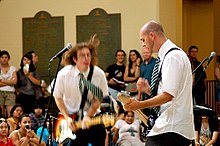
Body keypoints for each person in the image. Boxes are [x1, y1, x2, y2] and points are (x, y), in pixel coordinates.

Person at [124, 20, 195, 146]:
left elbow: (168, 95)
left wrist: (139, 105)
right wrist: (149, 90)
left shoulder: (173, 57)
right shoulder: (166, 56)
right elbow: (168, 90)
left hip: (172, 127)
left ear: (152, 36)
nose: (143, 45)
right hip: (168, 126)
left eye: (143, 40)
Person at [53, 35, 109, 146]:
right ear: (75, 59)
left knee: (100, 137)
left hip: (92, 118)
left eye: (88, 55)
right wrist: (67, 117)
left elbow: (98, 100)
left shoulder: (98, 74)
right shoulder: (64, 74)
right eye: (82, 55)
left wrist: (88, 116)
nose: (86, 58)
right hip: (71, 120)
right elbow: (58, 97)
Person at [0, 50, 17, 117]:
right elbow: (11, 82)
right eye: (2, 57)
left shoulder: (12, 68)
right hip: (0, 92)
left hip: (10, 92)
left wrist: (2, 81)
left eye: (6, 57)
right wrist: (9, 82)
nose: (4, 59)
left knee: (10, 113)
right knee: (1, 113)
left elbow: (14, 82)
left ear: (8, 58)